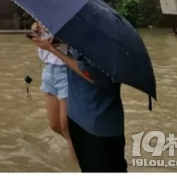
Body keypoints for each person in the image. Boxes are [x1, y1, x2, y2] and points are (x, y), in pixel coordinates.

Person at [32, 34, 126, 172]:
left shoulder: (94, 42)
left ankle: (75, 159)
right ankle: (78, 152)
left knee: (67, 126)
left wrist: (54, 48)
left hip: (71, 70)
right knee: (56, 125)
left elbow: (93, 75)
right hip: (53, 68)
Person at [31, 22, 75, 161]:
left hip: (67, 69)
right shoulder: (45, 15)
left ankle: (77, 164)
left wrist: (57, 40)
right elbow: (37, 33)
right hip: (49, 68)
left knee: (66, 126)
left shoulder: (72, 15)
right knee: (55, 125)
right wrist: (36, 30)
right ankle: (79, 145)